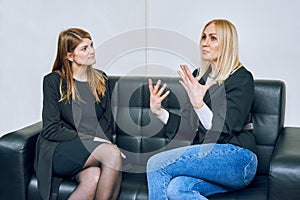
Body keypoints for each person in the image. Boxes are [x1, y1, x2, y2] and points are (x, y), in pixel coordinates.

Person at [146, 19, 258, 200]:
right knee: (177, 189)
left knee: (156, 164)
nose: (205, 42)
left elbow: (222, 133)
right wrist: (159, 112)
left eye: (213, 38)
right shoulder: (199, 77)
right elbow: (189, 130)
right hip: (209, 157)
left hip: (239, 159)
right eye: (204, 37)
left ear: (227, 43)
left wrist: (199, 104)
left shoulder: (241, 78)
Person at [34, 28, 125, 200]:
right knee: (112, 153)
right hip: (59, 149)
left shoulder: (101, 80)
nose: (91, 51)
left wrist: (102, 144)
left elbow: (105, 123)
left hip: (88, 152)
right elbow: (52, 129)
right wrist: (96, 143)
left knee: (94, 178)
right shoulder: (53, 81)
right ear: (69, 56)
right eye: (84, 48)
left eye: (91, 45)